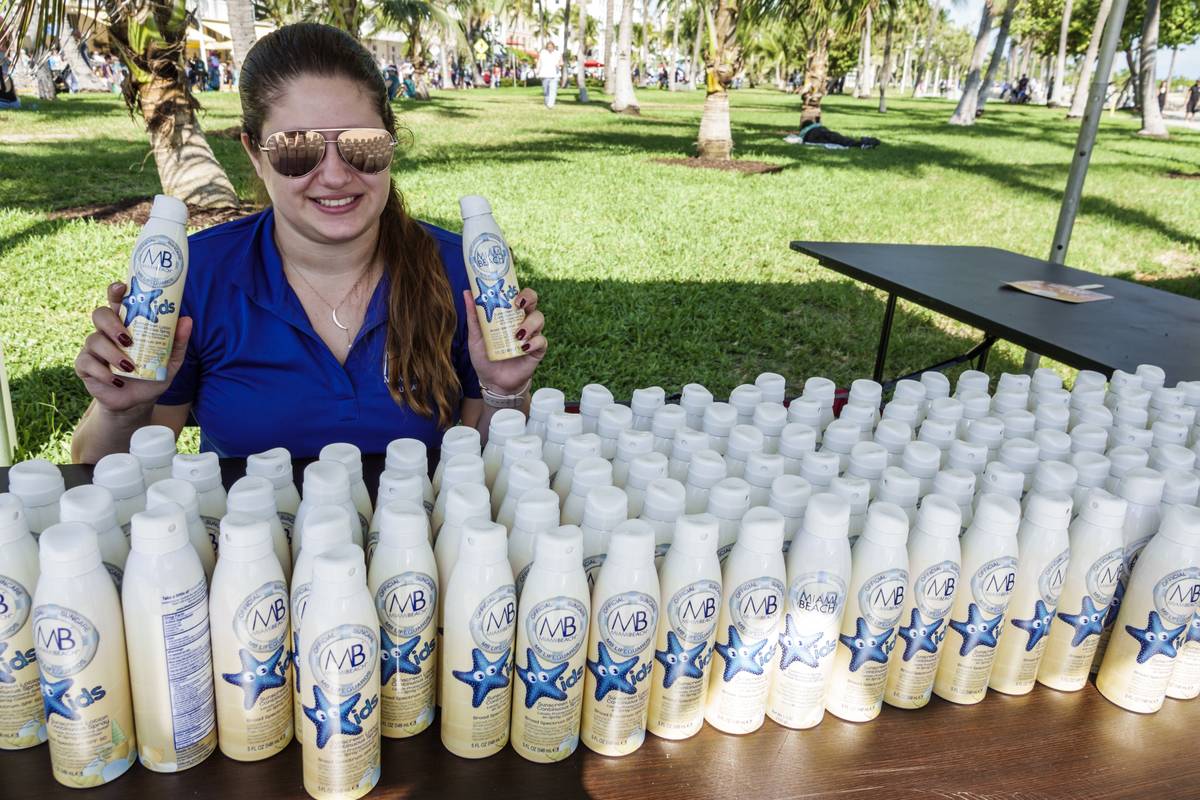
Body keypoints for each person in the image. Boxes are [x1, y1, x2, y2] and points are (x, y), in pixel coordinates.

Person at [70, 23, 548, 463]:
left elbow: (481, 465)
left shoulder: (458, 270)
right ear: (254, 155)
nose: (337, 176)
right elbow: (102, 471)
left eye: (363, 146)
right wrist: (121, 411)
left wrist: (504, 392)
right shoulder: (198, 277)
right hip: (249, 549)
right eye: (297, 149)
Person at [790, 117, 880, 149]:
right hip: (822, 132)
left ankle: (860, 144)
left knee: (838, 140)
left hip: (815, 136)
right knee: (839, 139)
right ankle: (861, 143)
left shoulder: (804, 133)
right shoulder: (816, 126)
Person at [535, 41, 560, 108]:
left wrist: (559, 64)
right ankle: (547, 102)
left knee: (553, 90)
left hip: (554, 74)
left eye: (551, 47)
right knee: (546, 90)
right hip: (544, 74)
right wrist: (537, 70)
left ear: (553, 47)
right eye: (548, 47)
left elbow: (561, 62)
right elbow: (539, 62)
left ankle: (551, 104)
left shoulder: (557, 53)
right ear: (546, 47)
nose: (550, 48)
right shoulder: (543, 53)